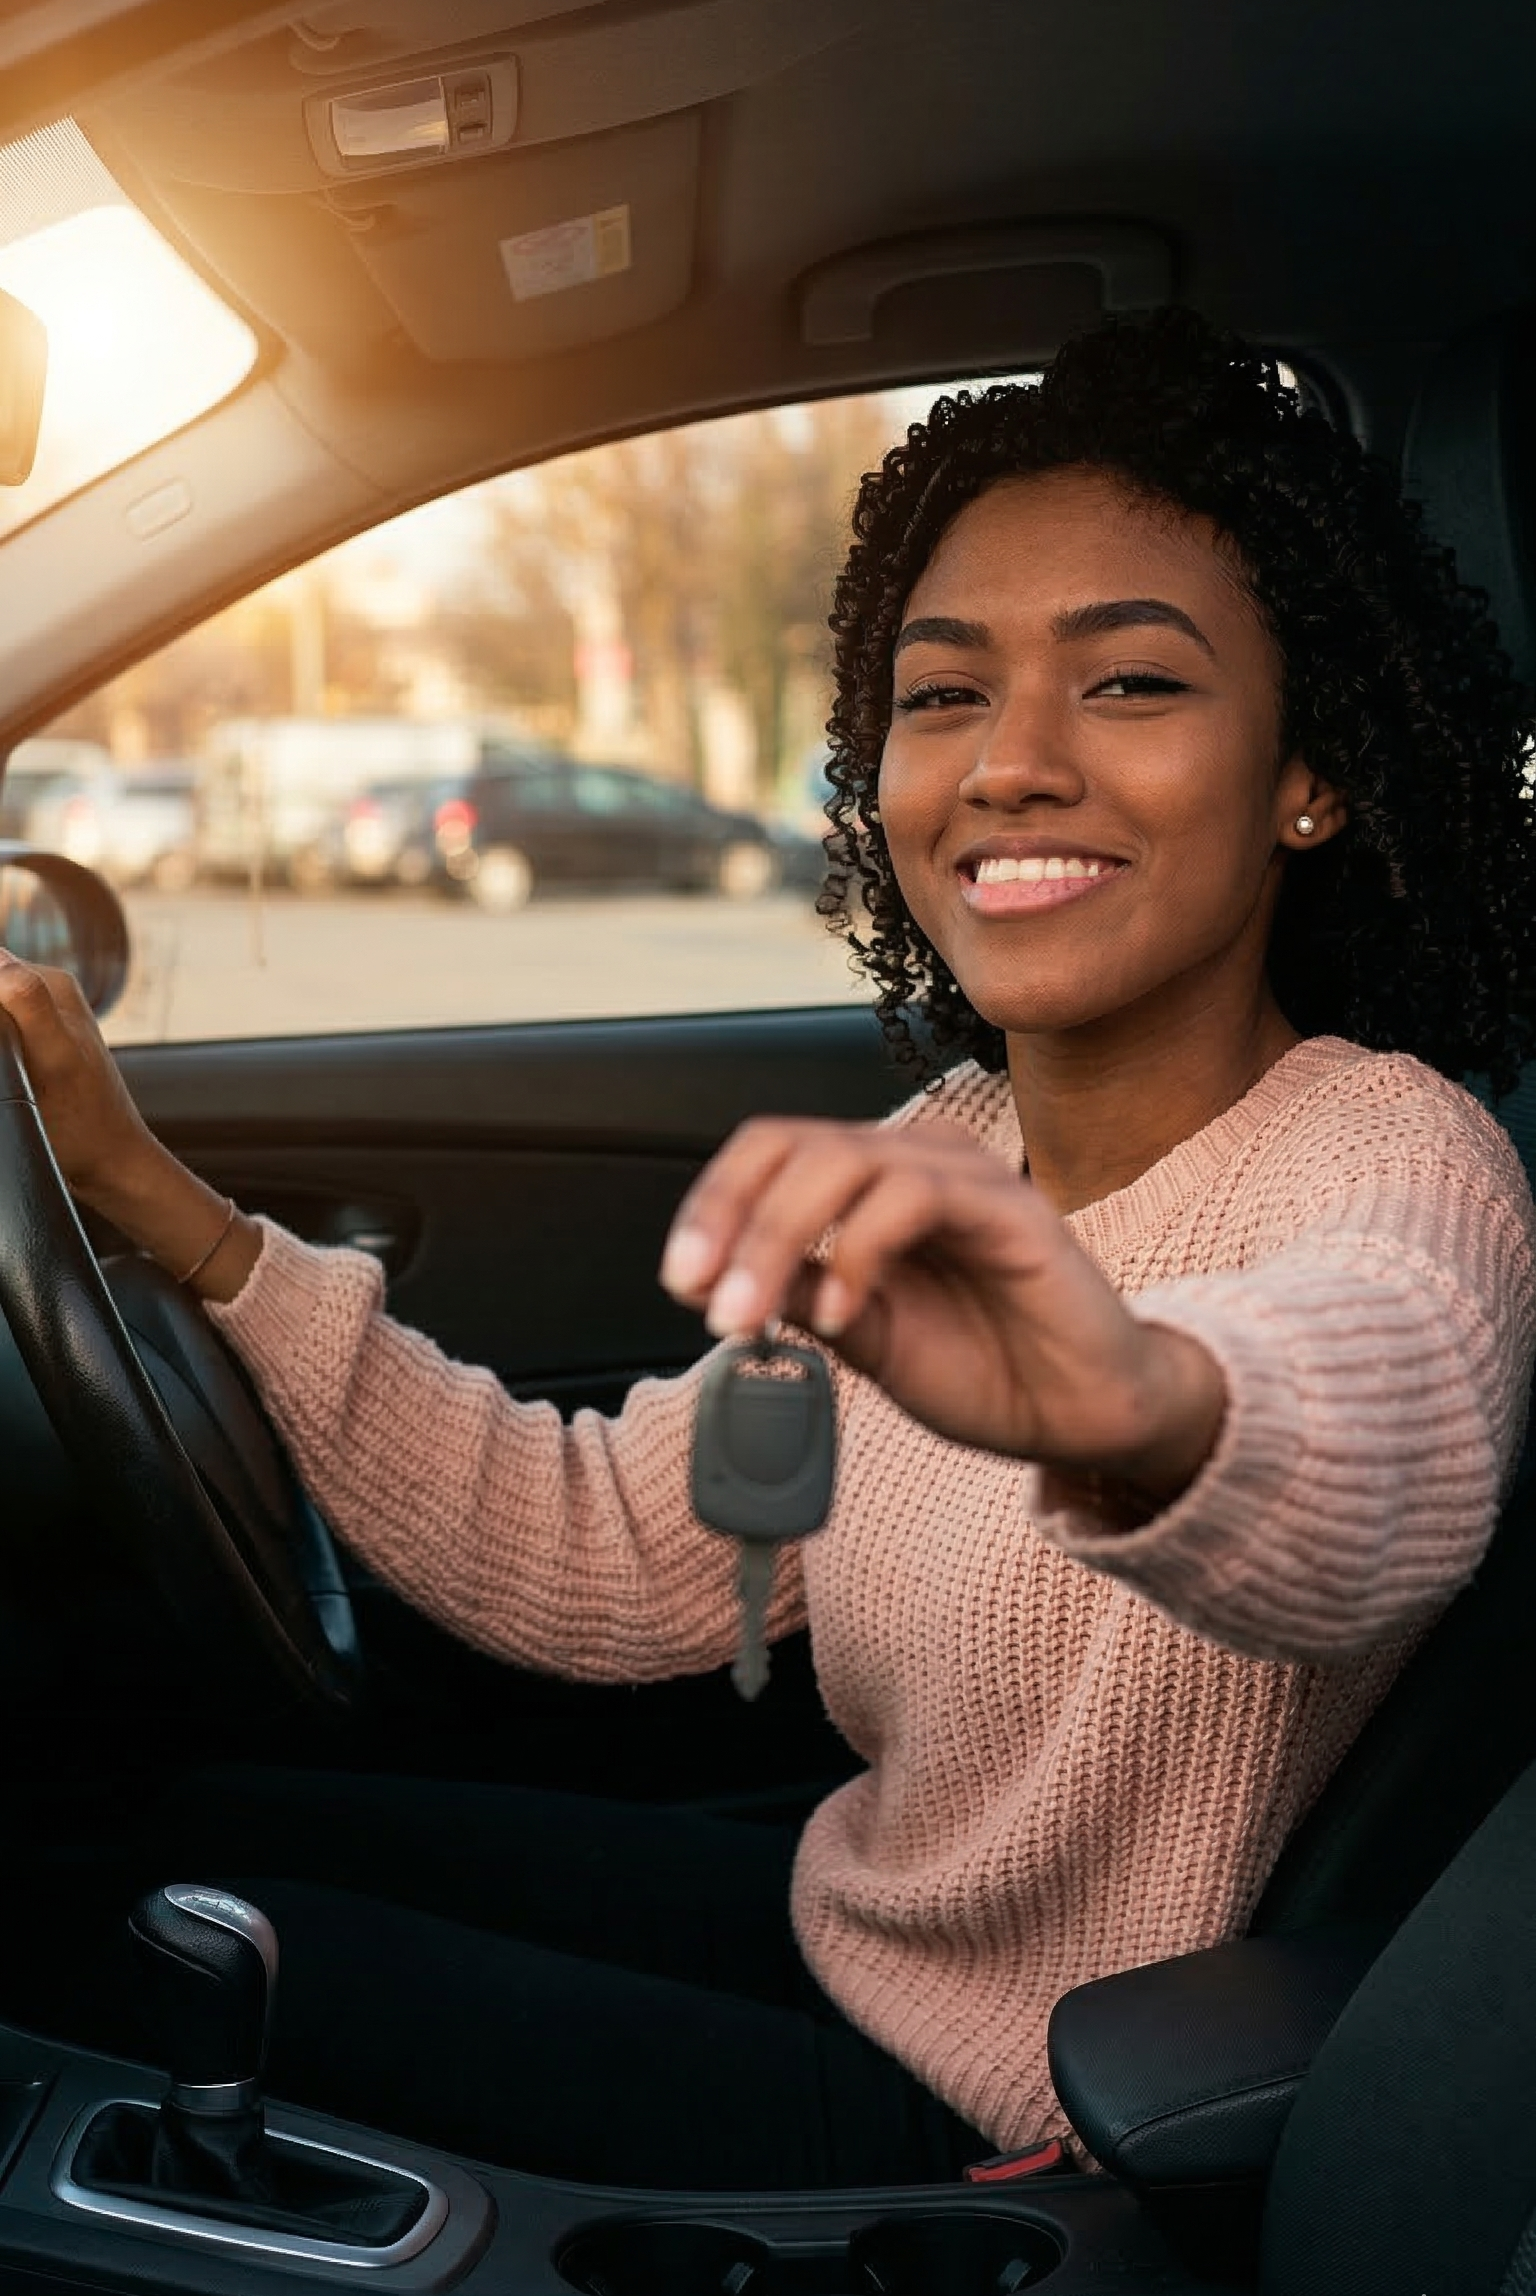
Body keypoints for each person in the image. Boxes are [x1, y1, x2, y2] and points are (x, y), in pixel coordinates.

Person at [4, 309, 1534, 2192]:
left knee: (77, 1936)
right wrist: (173, 1216)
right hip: (856, 1926)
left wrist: (1134, 1401)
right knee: (175, 1824)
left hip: (1035, 2117)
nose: (1011, 767)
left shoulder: (1397, 1151)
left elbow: (1381, 1442)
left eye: (1133, 685)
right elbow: (624, 1547)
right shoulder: (948, 1143)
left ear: (1313, 775)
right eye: (945, 693)